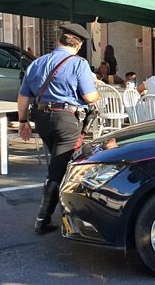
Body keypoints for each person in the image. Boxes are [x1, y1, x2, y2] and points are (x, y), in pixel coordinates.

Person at [17, 23, 100, 235]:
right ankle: (43, 219)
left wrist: (23, 121)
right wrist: (96, 90)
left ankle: (56, 212)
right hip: (67, 120)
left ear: (59, 41)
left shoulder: (36, 63)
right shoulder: (78, 63)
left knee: (57, 164)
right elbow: (90, 97)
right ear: (79, 45)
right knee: (59, 169)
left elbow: (23, 96)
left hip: (42, 119)